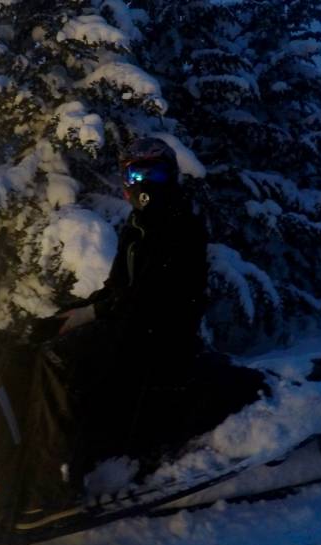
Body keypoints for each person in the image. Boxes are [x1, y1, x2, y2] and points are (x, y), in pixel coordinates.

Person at [18, 137, 218, 521]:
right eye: (136, 173)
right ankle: (23, 461)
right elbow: (117, 287)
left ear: (171, 175)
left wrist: (88, 316)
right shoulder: (138, 226)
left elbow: (150, 293)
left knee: (57, 360)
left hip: (160, 334)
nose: (145, 183)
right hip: (134, 326)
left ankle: (53, 488)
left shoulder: (179, 222)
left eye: (155, 172)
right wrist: (67, 314)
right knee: (37, 341)